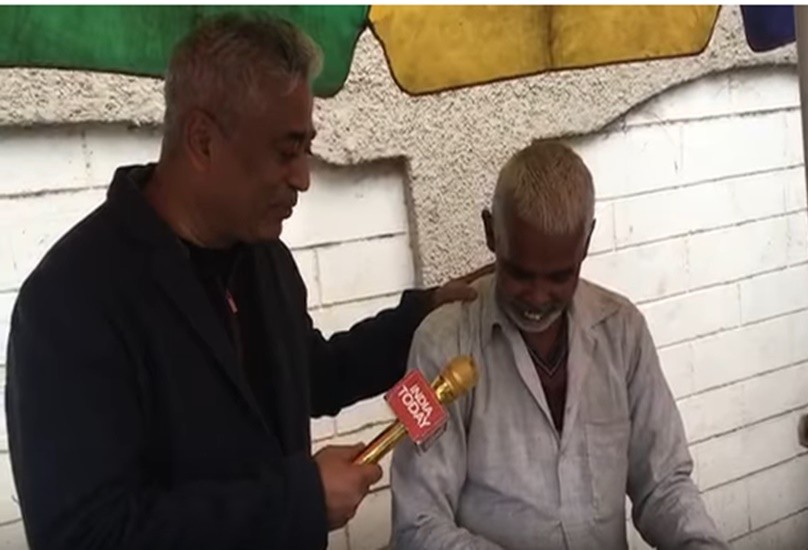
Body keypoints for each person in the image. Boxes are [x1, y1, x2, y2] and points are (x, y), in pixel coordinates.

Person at [5, 13, 488, 550]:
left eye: (307, 148)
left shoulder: (263, 260)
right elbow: (84, 536)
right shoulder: (70, 302)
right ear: (203, 141)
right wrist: (296, 502)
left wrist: (423, 313)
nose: (303, 178)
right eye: (286, 151)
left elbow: (311, 375)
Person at [390, 141, 728, 549]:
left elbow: (665, 483)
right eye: (519, 273)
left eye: (559, 277)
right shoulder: (436, 344)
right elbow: (417, 522)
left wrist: (699, 542)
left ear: (586, 243)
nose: (537, 297)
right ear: (491, 233)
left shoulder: (624, 331)